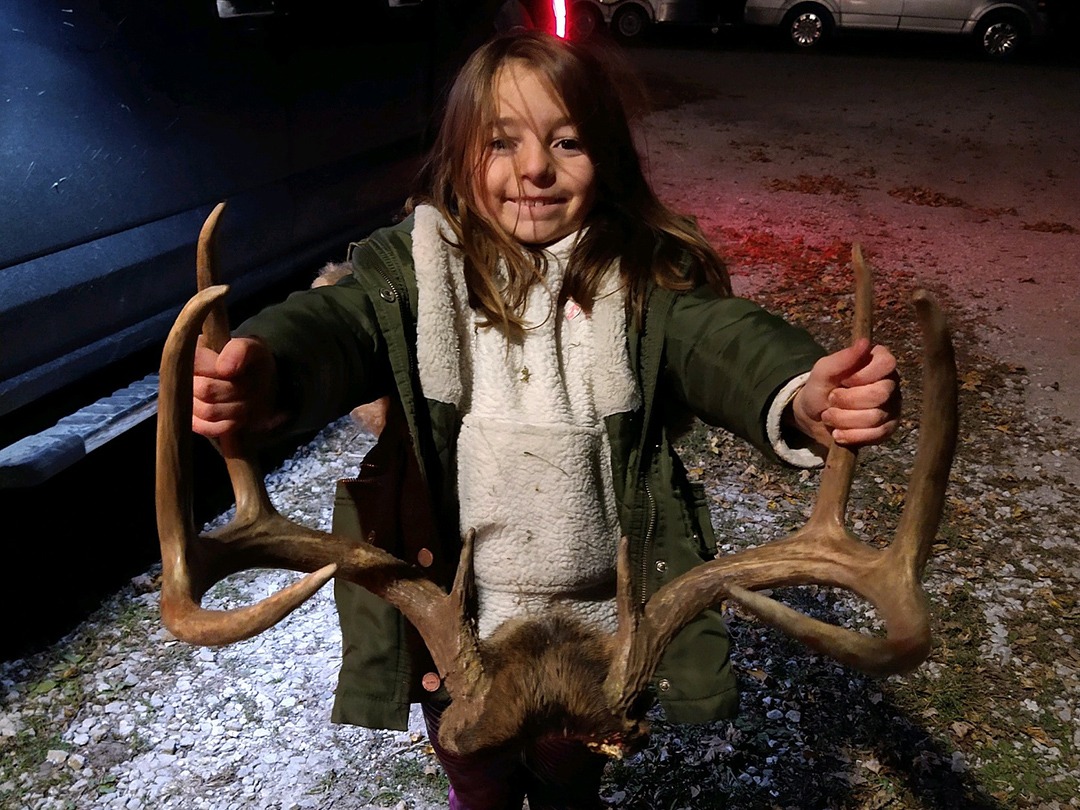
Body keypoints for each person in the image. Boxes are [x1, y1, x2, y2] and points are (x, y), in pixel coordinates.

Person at [191, 29, 900, 810]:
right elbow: (341, 326)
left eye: (568, 142)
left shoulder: (639, 279)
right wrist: (272, 367)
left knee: (569, 772)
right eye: (502, 143)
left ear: (609, 159)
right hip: (455, 621)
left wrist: (800, 393)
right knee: (476, 766)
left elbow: (720, 343)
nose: (535, 168)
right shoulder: (419, 274)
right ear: (460, 157)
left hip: (594, 626)